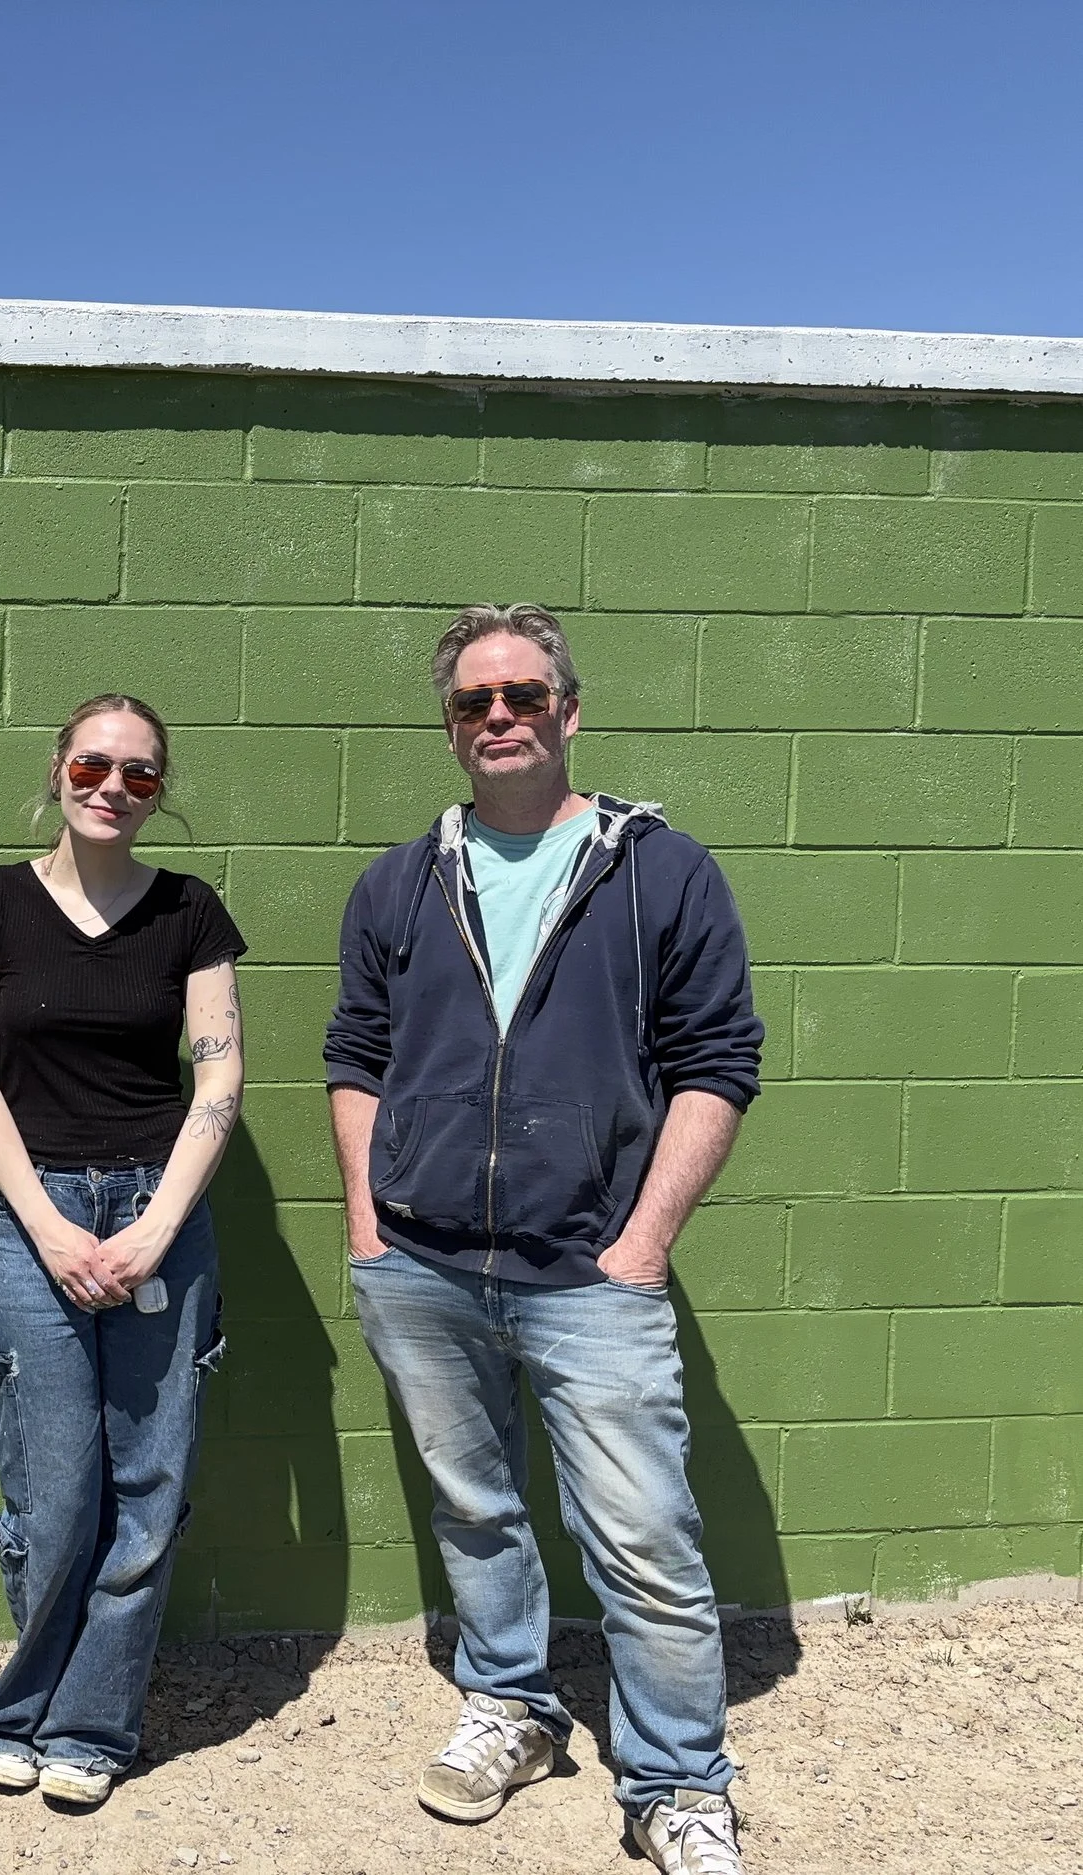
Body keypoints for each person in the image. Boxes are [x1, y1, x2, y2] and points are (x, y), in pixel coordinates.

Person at [322, 605, 763, 1874]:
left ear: (568, 711)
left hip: (591, 1271)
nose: (499, 716)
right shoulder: (399, 883)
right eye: (474, 701)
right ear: (450, 728)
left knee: (644, 1538)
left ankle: (676, 1783)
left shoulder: (660, 872)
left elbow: (717, 1064)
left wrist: (643, 1244)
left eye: (522, 694)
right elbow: (356, 1057)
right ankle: (510, 1705)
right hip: (421, 1263)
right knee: (474, 1510)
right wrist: (367, 1224)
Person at [0, 693, 245, 1808]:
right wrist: (51, 1225)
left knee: (147, 1492)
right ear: (59, 769)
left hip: (160, 1210)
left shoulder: (189, 912)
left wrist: (154, 1227)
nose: (113, 787)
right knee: (56, 1492)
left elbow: (218, 1074)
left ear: (160, 792)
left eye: (140, 773)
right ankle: (17, 1713)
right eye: (93, 766)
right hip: (35, 1212)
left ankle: (91, 1728)